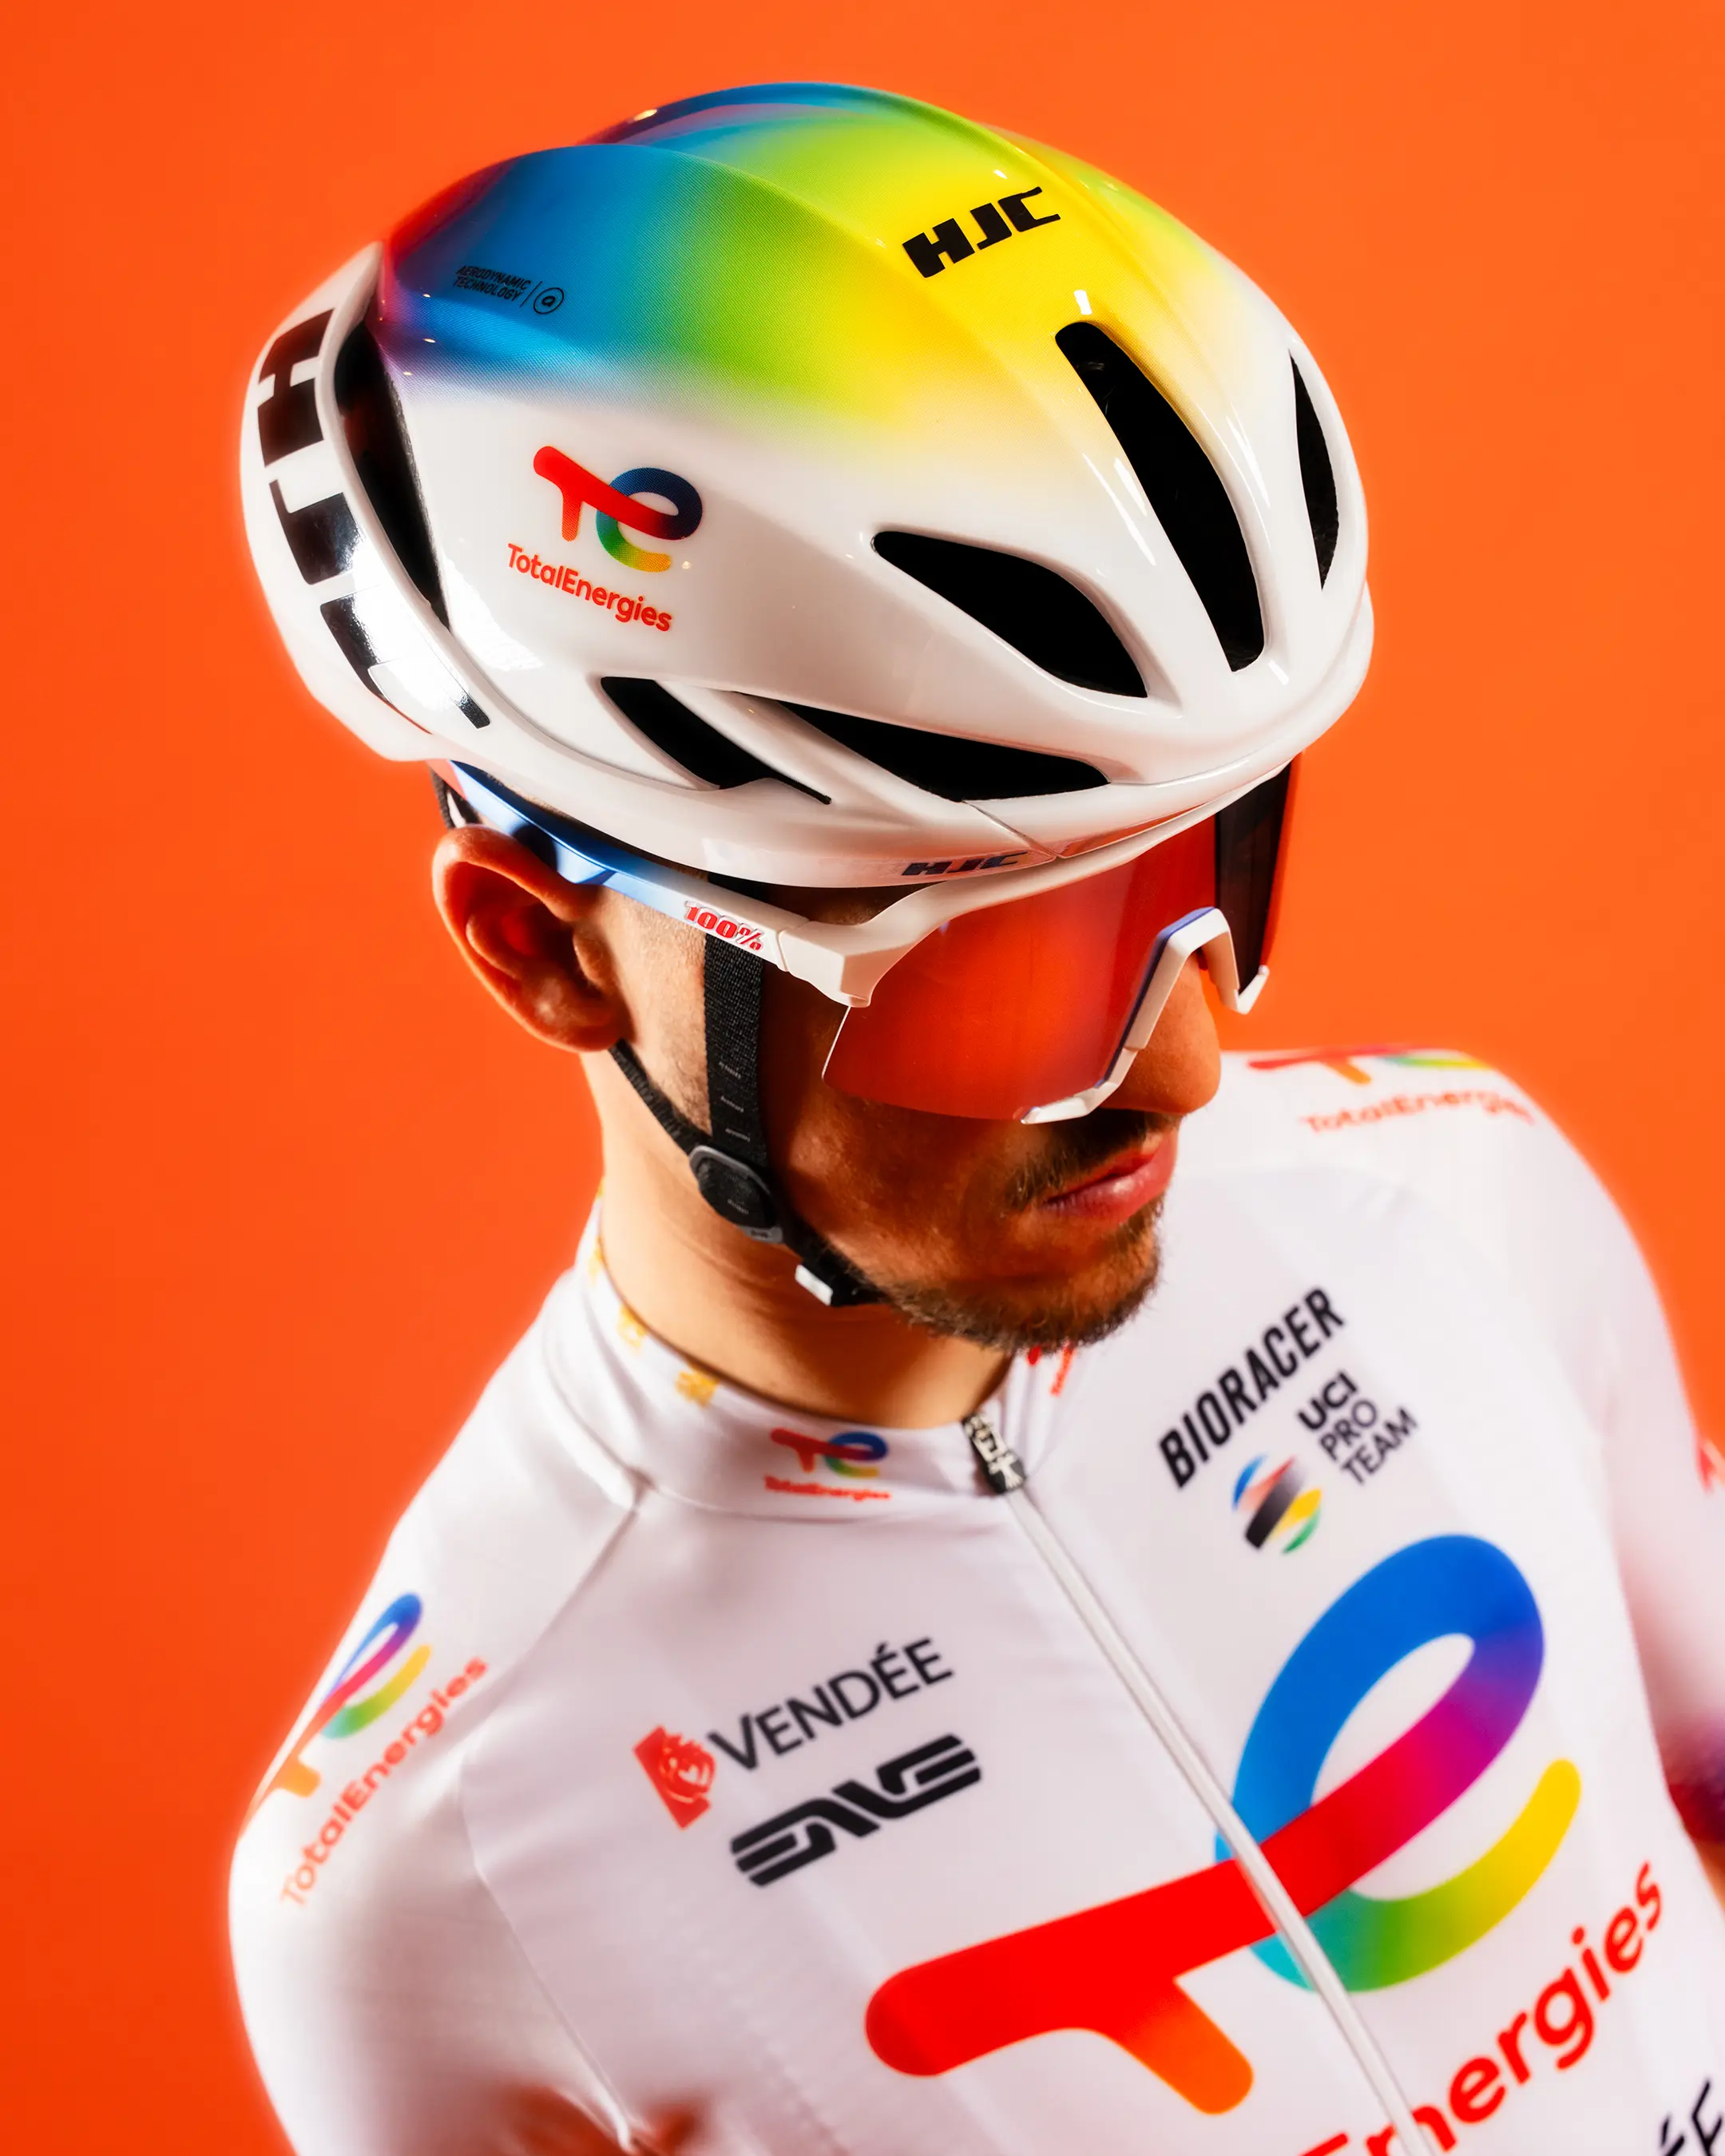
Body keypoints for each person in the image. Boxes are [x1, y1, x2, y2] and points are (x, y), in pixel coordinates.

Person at [231, 81, 1725, 2156]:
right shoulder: (436, 1869)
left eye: (1211, 873)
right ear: (545, 950)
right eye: (1003, 962)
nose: (1186, 1065)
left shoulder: (1451, 1193)